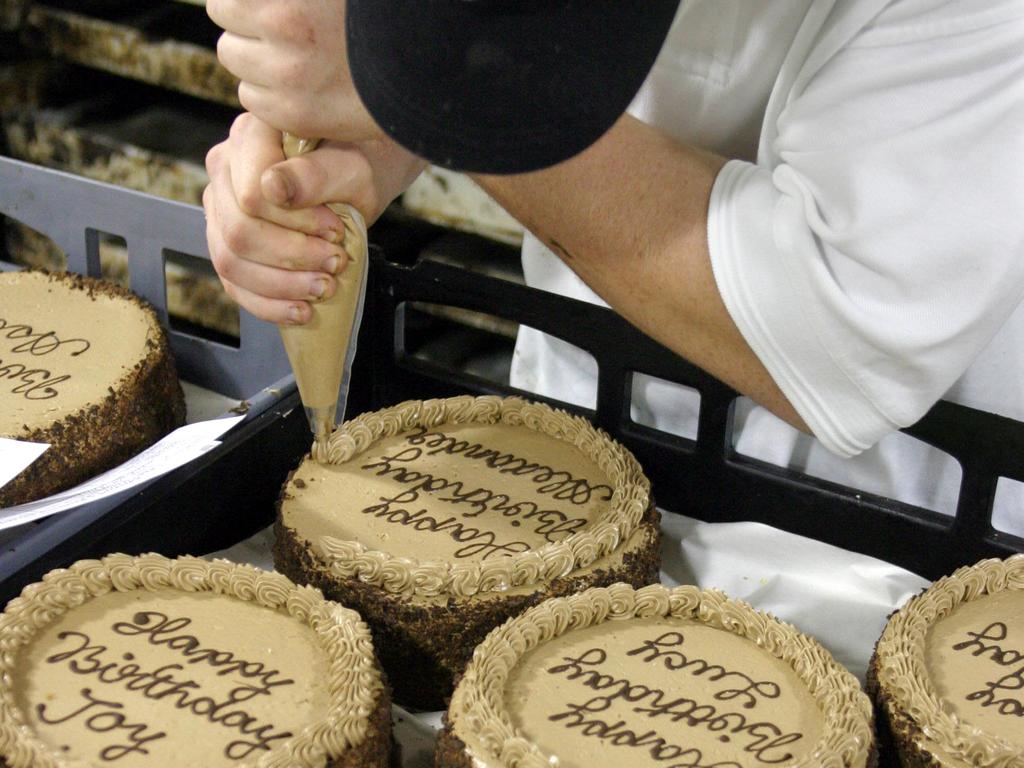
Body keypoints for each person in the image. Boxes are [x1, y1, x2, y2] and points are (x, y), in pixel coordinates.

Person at [202, 0, 1024, 528]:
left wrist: (426, 93)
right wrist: (370, 138)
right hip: (562, 447)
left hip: (885, 537)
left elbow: (837, 338)